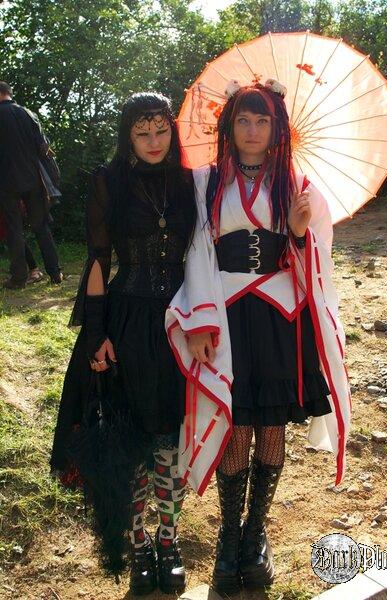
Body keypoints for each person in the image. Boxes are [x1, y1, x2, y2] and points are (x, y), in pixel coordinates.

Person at [166, 80, 351, 593]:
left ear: (277, 127)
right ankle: (228, 537)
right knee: (236, 421)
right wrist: (200, 321)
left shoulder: (298, 184)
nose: (252, 130)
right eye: (243, 120)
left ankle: (255, 533)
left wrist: (298, 231)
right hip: (225, 312)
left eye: (262, 121)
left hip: (278, 317)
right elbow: (197, 249)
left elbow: (316, 260)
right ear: (229, 126)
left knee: (271, 423)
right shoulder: (204, 181)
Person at [50, 93, 196, 595]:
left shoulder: (189, 182)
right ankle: (137, 546)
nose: (154, 141)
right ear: (127, 136)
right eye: (142, 132)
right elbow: (98, 259)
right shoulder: (109, 181)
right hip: (127, 321)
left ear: (172, 130)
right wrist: (96, 332)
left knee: (171, 441)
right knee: (128, 443)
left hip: (179, 321)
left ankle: (170, 542)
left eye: (161, 130)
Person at [0, 81, 62, 288]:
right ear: (9, 93)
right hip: (34, 178)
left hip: (6, 181)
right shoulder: (28, 114)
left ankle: (19, 278)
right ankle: (55, 273)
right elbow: (43, 147)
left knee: (14, 228)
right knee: (41, 226)